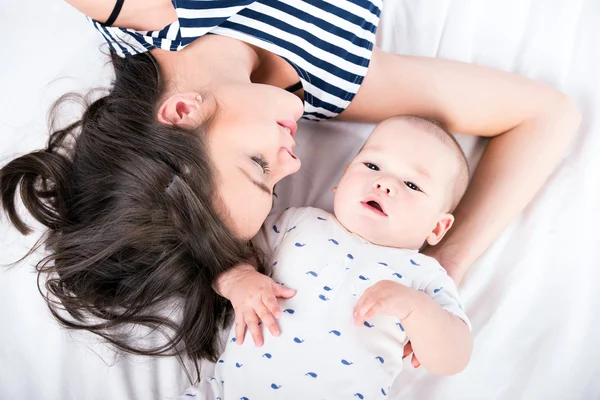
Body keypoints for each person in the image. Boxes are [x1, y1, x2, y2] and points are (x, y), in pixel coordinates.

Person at [0, 0, 580, 371]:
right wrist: (447, 260)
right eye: (275, 186)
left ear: (180, 110)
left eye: (258, 164)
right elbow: (547, 115)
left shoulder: (135, 9)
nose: (294, 164)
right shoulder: (329, 76)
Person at [179, 115, 473, 399]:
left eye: (412, 185)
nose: (384, 183)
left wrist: (416, 310)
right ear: (342, 178)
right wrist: (239, 280)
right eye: (372, 165)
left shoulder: (423, 274)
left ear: (437, 227)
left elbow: (454, 357)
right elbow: (224, 254)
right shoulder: (298, 223)